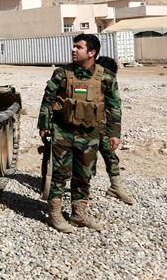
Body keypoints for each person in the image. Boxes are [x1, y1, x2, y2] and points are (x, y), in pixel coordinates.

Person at [38, 34, 123, 233]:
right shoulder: (61, 74)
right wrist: (44, 126)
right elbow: (47, 100)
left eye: (79, 47)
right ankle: (55, 214)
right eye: (73, 46)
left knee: (84, 175)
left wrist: (114, 133)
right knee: (60, 174)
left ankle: (79, 213)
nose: (73, 50)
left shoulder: (106, 77)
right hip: (62, 131)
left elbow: (114, 106)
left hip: (90, 133)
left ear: (92, 53)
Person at [95, 56, 135, 204]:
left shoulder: (109, 83)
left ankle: (116, 187)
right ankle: (81, 193)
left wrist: (114, 134)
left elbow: (114, 107)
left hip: (102, 126)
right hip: (83, 128)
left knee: (110, 155)